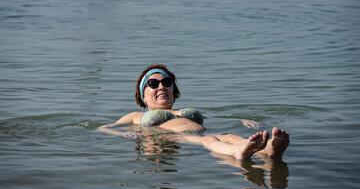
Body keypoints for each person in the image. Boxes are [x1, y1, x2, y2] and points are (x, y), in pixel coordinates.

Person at [97, 64, 289, 160]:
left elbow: (214, 118)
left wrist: (241, 119)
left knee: (229, 135)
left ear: (173, 90)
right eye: (153, 84)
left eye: (166, 82)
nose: (162, 86)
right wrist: (122, 132)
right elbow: (104, 127)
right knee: (209, 141)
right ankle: (239, 152)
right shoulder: (136, 116)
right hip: (175, 138)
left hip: (200, 132)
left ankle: (269, 149)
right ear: (143, 97)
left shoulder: (182, 111)